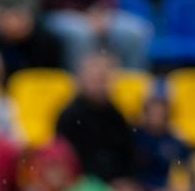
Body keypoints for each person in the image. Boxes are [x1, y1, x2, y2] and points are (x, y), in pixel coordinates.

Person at [53, 49, 135, 183]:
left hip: (113, 187)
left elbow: (127, 158)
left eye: (104, 79)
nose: (100, 85)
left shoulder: (116, 115)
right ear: (82, 79)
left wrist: (124, 181)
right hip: (80, 186)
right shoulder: (69, 116)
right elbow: (63, 161)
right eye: (95, 79)